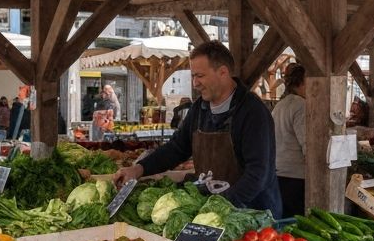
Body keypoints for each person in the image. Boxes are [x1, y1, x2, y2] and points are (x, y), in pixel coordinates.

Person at [113, 41, 281, 214]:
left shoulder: (252, 112)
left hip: (252, 214)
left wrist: (221, 208)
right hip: (213, 210)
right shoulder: (199, 109)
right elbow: (176, 148)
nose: (195, 83)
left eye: (200, 76)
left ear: (223, 72)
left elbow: (258, 174)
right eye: (193, 76)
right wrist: (139, 169)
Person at [271, 63, 307, 217]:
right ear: (302, 82)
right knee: (295, 221)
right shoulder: (301, 106)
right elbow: (307, 143)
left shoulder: (280, 105)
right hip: (296, 177)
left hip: (279, 174)